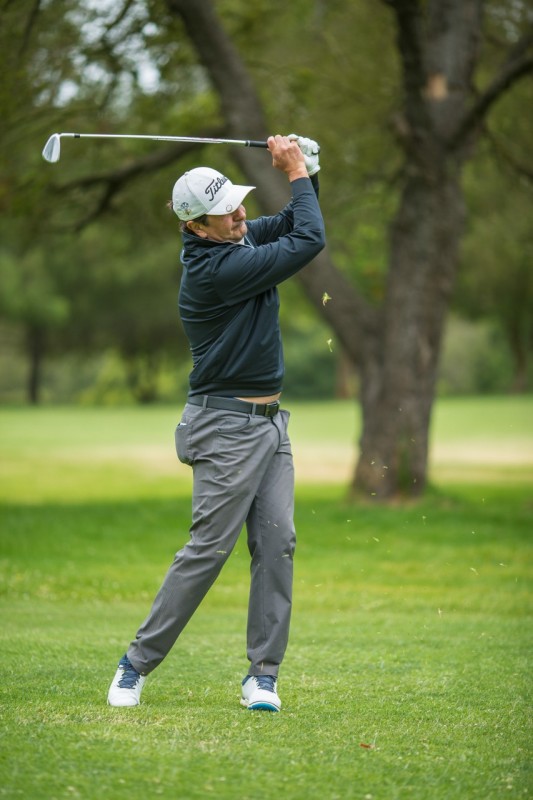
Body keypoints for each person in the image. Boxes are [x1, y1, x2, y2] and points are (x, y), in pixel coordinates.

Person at [107, 134, 325, 712]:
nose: (240, 214)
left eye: (236, 202)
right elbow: (309, 239)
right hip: (226, 428)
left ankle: (263, 677)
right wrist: (294, 173)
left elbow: (293, 220)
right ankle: (134, 665)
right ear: (196, 227)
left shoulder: (236, 238)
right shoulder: (218, 270)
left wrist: (309, 173)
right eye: (225, 211)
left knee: (277, 544)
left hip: (269, 425)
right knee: (209, 549)